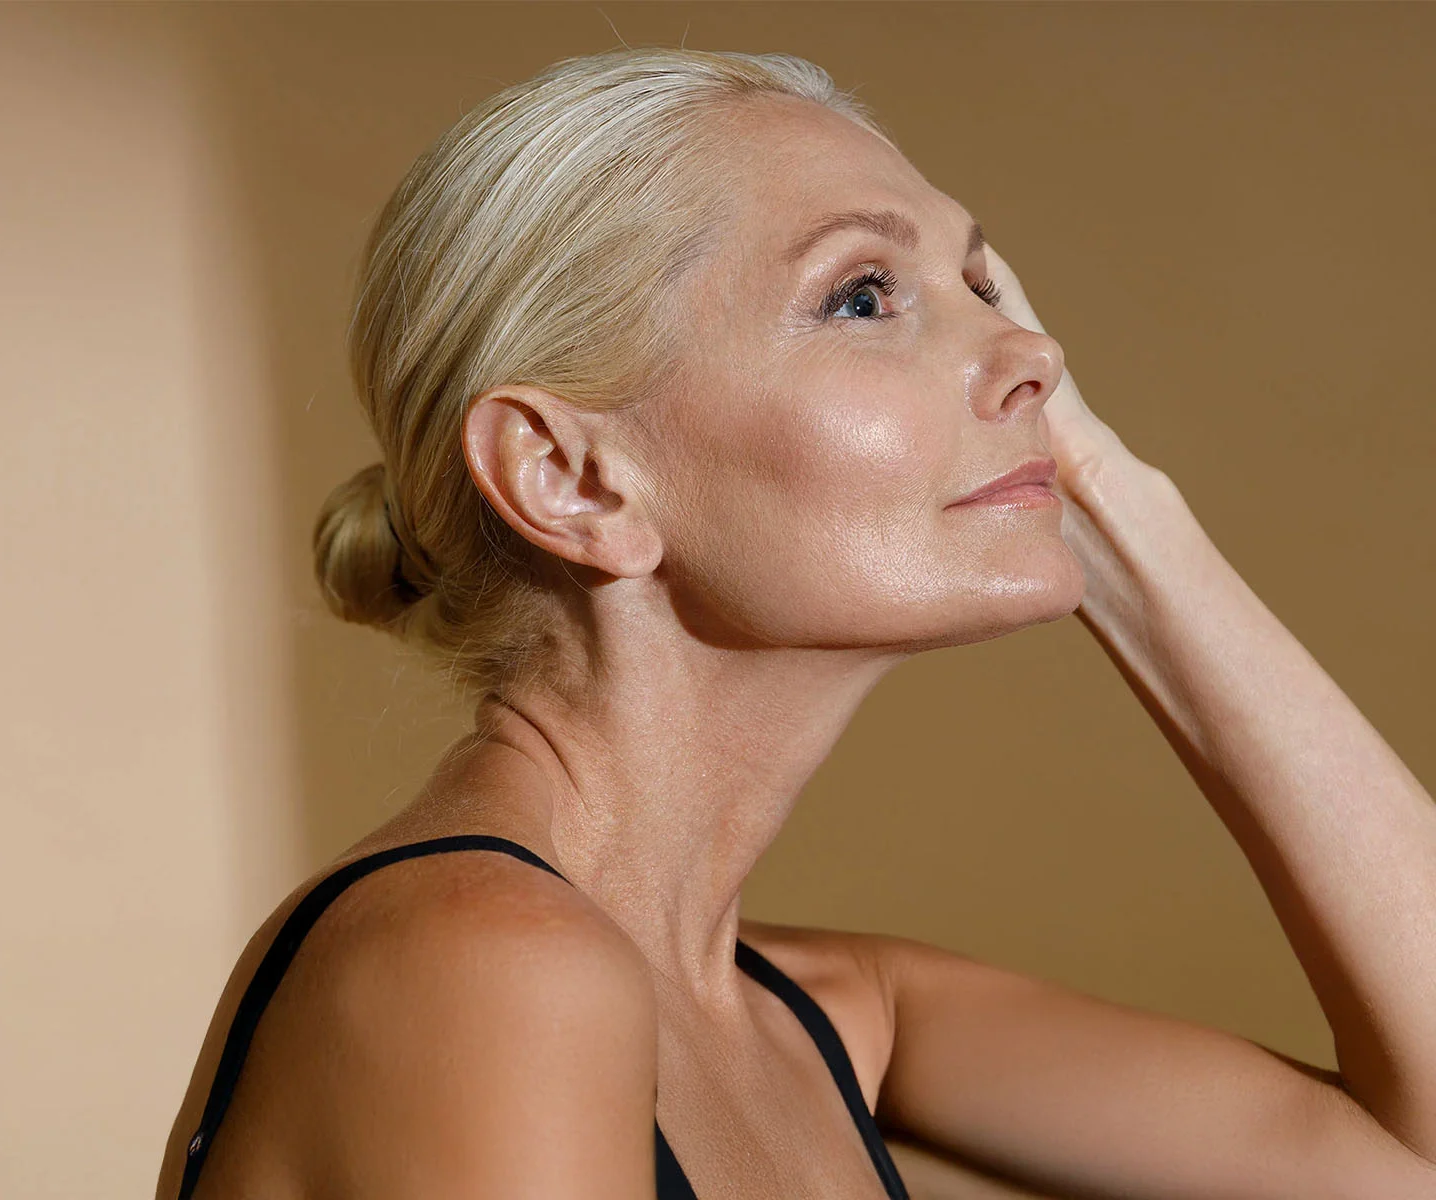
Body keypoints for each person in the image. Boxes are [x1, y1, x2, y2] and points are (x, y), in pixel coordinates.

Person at [156, 46, 1436, 1200]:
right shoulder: (487, 972)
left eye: (982, 280)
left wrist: (1097, 496)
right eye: (864, 296)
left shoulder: (817, 1014)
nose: (1032, 349)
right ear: (571, 476)